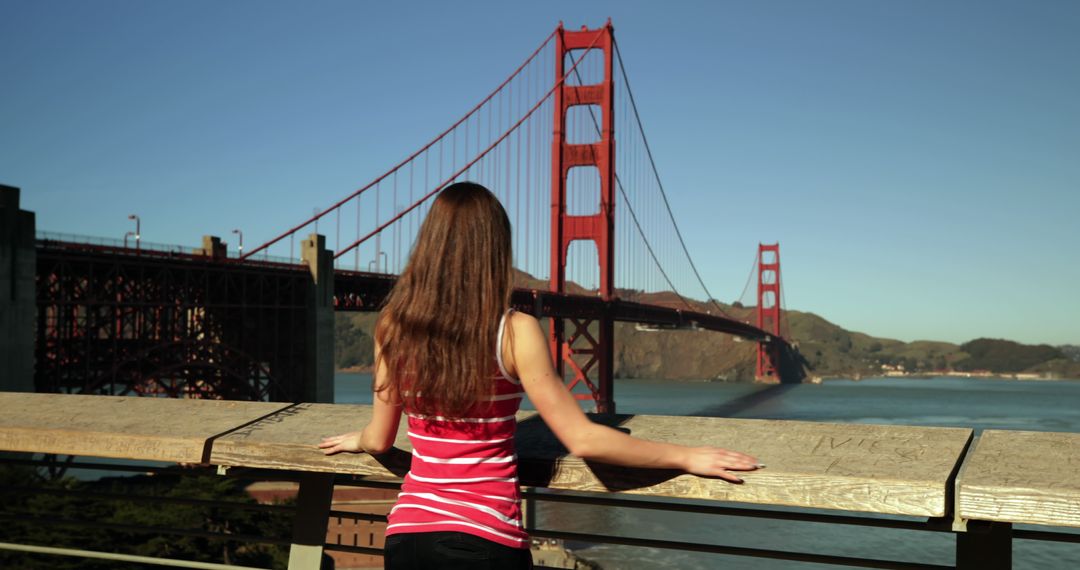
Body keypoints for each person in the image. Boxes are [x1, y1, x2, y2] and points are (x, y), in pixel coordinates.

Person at [318, 182, 761, 569]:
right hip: (484, 541)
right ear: (497, 250)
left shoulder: (394, 326)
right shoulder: (514, 332)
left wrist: (357, 438)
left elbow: (379, 439)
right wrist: (686, 456)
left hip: (406, 538)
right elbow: (583, 440)